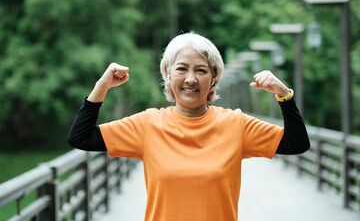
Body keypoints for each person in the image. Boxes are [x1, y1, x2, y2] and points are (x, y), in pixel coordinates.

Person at [67, 32, 310, 221]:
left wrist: (284, 95)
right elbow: (81, 138)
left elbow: (296, 143)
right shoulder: (148, 124)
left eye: (201, 70)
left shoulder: (235, 124)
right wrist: (101, 87)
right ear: (168, 73)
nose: (191, 79)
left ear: (214, 77)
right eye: (182, 68)